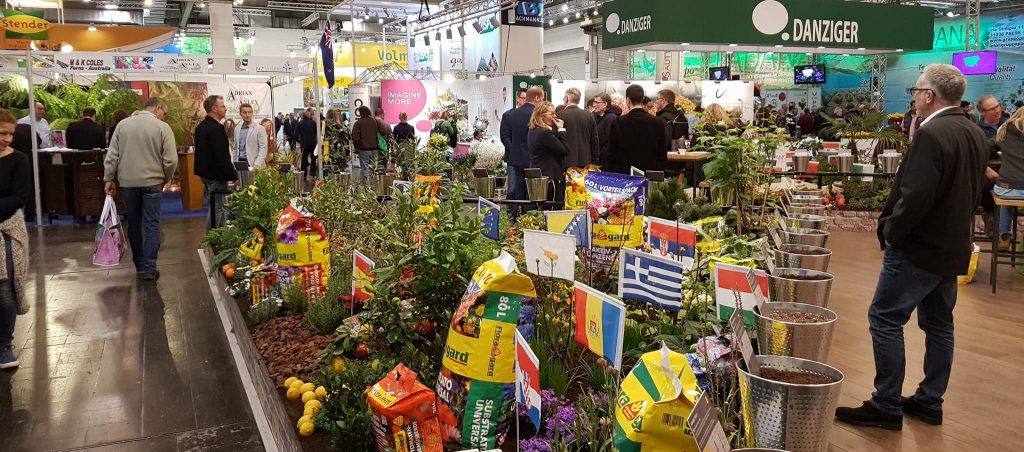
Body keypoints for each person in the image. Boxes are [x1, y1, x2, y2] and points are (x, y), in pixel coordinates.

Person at [835, 64, 988, 431]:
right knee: (940, 324)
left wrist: (892, 231)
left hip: (919, 247)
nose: (914, 98)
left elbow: (915, 195)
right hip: (952, 245)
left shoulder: (932, 133)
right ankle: (930, 401)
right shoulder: (973, 130)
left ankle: (886, 404)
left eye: (916, 92)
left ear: (929, 96)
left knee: (885, 318)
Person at [102, 98, 178, 281]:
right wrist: (166, 177)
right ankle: (150, 268)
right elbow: (171, 160)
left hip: (128, 182)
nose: (164, 116)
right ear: (158, 108)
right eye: (164, 112)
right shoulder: (162, 127)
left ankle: (139, 264)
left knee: (133, 223)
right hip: (153, 182)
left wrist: (108, 178)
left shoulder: (122, 125)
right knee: (152, 223)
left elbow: (112, 155)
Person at [0, 109, 30, 369]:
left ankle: (4, 346)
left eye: (10, 134)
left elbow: (20, 197)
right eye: (3, 133)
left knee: (6, 287)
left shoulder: (19, 160)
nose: (7, 139)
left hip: (8, 230)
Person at [194, 95, 236, 231]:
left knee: (217, 205)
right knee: (217, 207)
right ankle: (211, 237)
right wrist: (233, 175)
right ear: (214, 109)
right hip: (216, 175)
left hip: (206, 174)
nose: (225, 109)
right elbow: (221, 156)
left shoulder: (201, 127)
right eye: (222, 106)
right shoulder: (216, 129)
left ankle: (220, 235)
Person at [606, 84, 667, 175]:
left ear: (628, 100)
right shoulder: (657, 122)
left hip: (624, 174)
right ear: (642, 99)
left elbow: (612, 153)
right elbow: (662, 153)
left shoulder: (618, 122)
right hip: (649, 173)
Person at [500, 86, 543, 203]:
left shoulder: (512, 114)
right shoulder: (538, 115)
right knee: (533, 192)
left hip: (517, 159)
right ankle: (529, 213)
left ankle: (518, 212)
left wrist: (514, 151)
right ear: (537, 98)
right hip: (534, 158)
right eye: (542, 99)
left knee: (519, 191)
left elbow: (506, 136)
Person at [992, 108, 1024, 250]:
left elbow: (986, 148)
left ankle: (1004, 235)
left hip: (1007, 189)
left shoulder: (1004, 131)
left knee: (1005, 190)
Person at [527, 102, 570, 204]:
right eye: (552, 113)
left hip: (539, 176)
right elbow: (564, 150)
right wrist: (561, 129)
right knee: (551, 208)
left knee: (540, 207)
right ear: (542, 115)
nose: (555, 116)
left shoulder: (533, 131)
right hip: (550, 178)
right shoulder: (545, 133)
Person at [557, 87, 599, 168]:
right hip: (586, 162)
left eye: (564, 97)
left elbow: (557, 141)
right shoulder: (589, 116)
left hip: (566, 162)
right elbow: (594, 141)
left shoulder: (560, 115)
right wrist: (595, 162)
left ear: (567, 98)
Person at [351, 106, 389, 183]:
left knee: (365, 168)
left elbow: (355, 137)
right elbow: (383, 131)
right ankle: (374, 184)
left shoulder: (358, 123)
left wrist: (357, 147)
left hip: (363, 150)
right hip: (375, 149)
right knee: (374, 168)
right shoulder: (375, 121)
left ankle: (366, 186)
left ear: (360, 113)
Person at [232, 103, 269, 169]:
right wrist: (233, 163)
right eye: (245, 112)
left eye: (249, 112)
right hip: (239, 162)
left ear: (252, 113)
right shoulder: (237, 128)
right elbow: (235, 148)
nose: (247, 115)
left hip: (255, 163)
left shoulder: (260, 128)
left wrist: (257, 164)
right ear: (240, 114)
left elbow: (263, 148)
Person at [593, 92, 621, 166]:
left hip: (605, 162)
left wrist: (599, 155)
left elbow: (610, 142)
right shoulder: (595, 117)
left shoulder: (611, 118)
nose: (594, 105)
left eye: (597, 102)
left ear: (605, 104)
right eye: (594, 102)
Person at [297, 109, 319, 179]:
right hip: (312, 143)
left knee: (304, 159)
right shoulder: (313, 123)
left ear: (302, 116)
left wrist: (300, 141)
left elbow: (295, 134)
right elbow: (315, 133)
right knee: (313, 158)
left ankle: (304, 174)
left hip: (304, 144)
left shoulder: (300, 123)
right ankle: (312, 172)